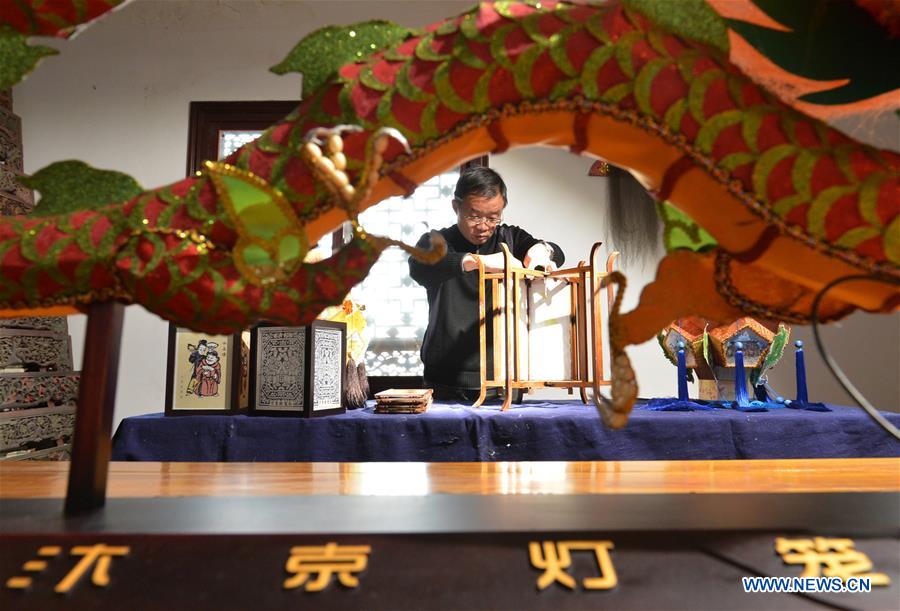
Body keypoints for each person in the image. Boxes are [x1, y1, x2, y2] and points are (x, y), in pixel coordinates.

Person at [408, 166, 565, 402]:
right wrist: (479, 261)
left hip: (504, 378)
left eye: (493, 218)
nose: (483, 226)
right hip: (445, 380)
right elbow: (419, 267)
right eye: (474, 216)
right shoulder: (436, 241)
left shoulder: (510, 238)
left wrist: (543, 251)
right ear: (456, 207)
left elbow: (556, 253)